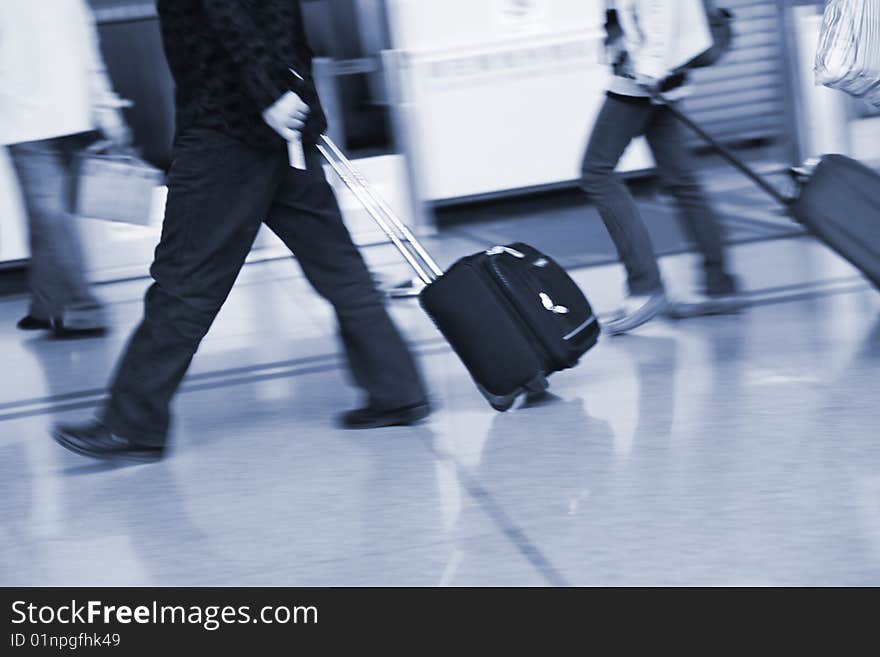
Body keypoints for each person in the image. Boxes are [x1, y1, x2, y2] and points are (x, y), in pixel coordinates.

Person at [52, 0, 430, 462]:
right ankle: (398, 389)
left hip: (226, 128)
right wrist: (292, 95)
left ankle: (131, 423)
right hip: (282, 127)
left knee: (185, 280)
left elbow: (229, 14)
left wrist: (271, 93)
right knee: (337, 266)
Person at [581, 0, 742, 336]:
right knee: (682, 180)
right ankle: (719, 283)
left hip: (646, 73)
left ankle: (645, 288)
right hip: (658, 67)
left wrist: (650, 66)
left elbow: (659, 7)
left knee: (597, 172)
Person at [0, 0, 131, 338]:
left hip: (24, 119)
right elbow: (89, 49)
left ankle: (83, 309)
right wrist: (106, 107)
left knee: (50, 215)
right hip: (74, 111)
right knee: (48, 216)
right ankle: (46, 307)